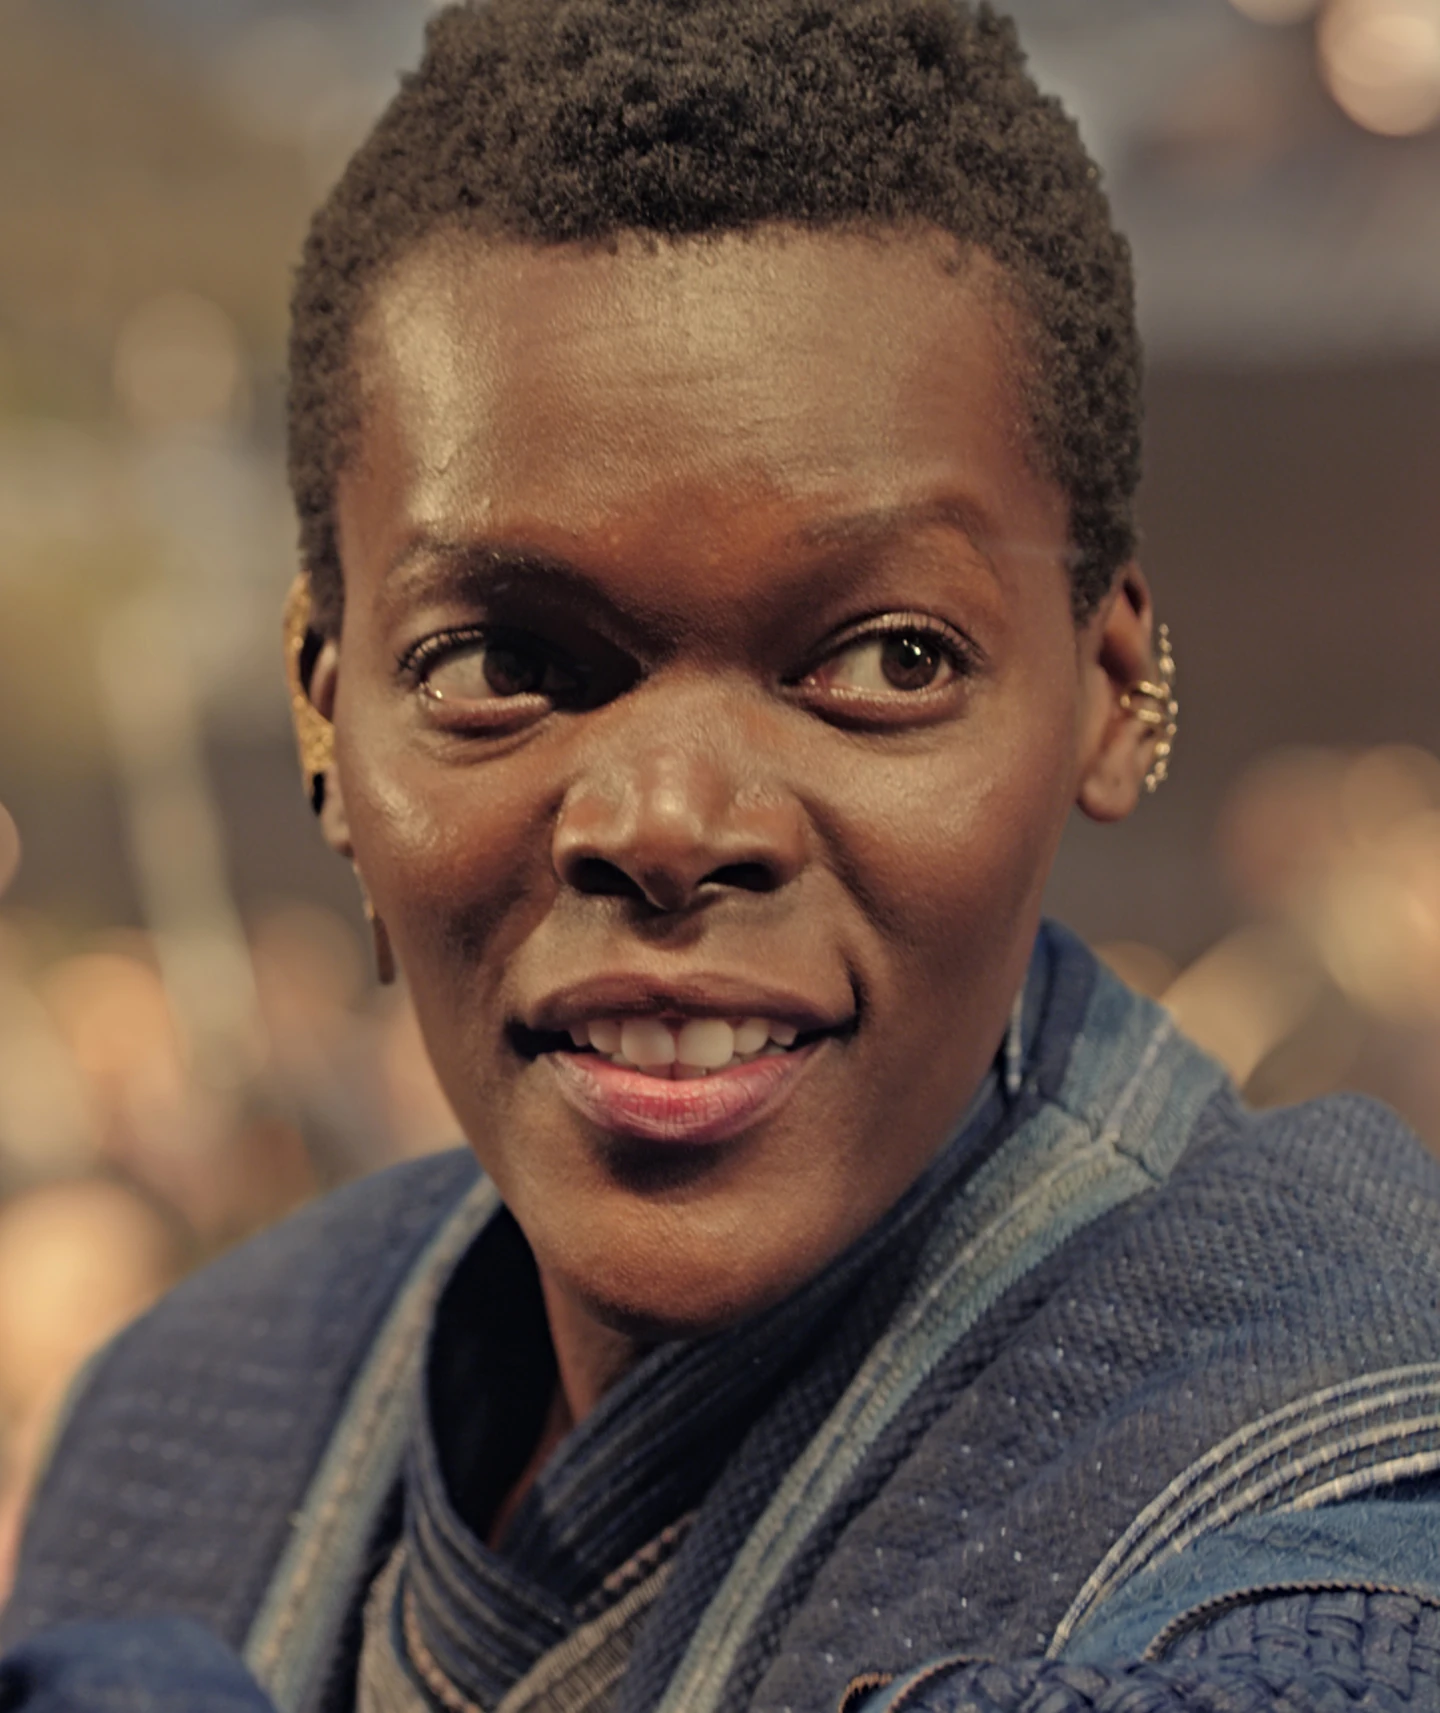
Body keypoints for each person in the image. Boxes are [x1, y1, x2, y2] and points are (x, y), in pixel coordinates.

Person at [5, 1, 1440, 1710]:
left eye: (888, 658)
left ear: (1109, 695)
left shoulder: (1346, 1436)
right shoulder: (181, 1431)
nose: (669, 824)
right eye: (498, 661)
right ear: (328, 719)